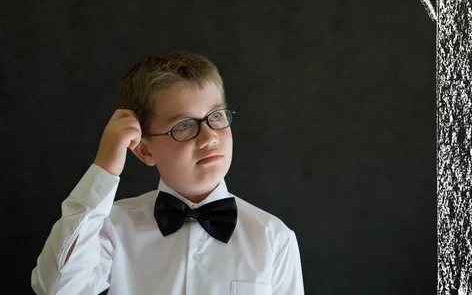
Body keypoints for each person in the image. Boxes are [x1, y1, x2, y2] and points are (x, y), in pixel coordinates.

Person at [31, 50, 305, 295]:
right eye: (184, 125)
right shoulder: (112, 228)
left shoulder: (273, 237)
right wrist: (105, 168)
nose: (209, 138)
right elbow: (58, 289)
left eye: (217, 116)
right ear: (145, 151)